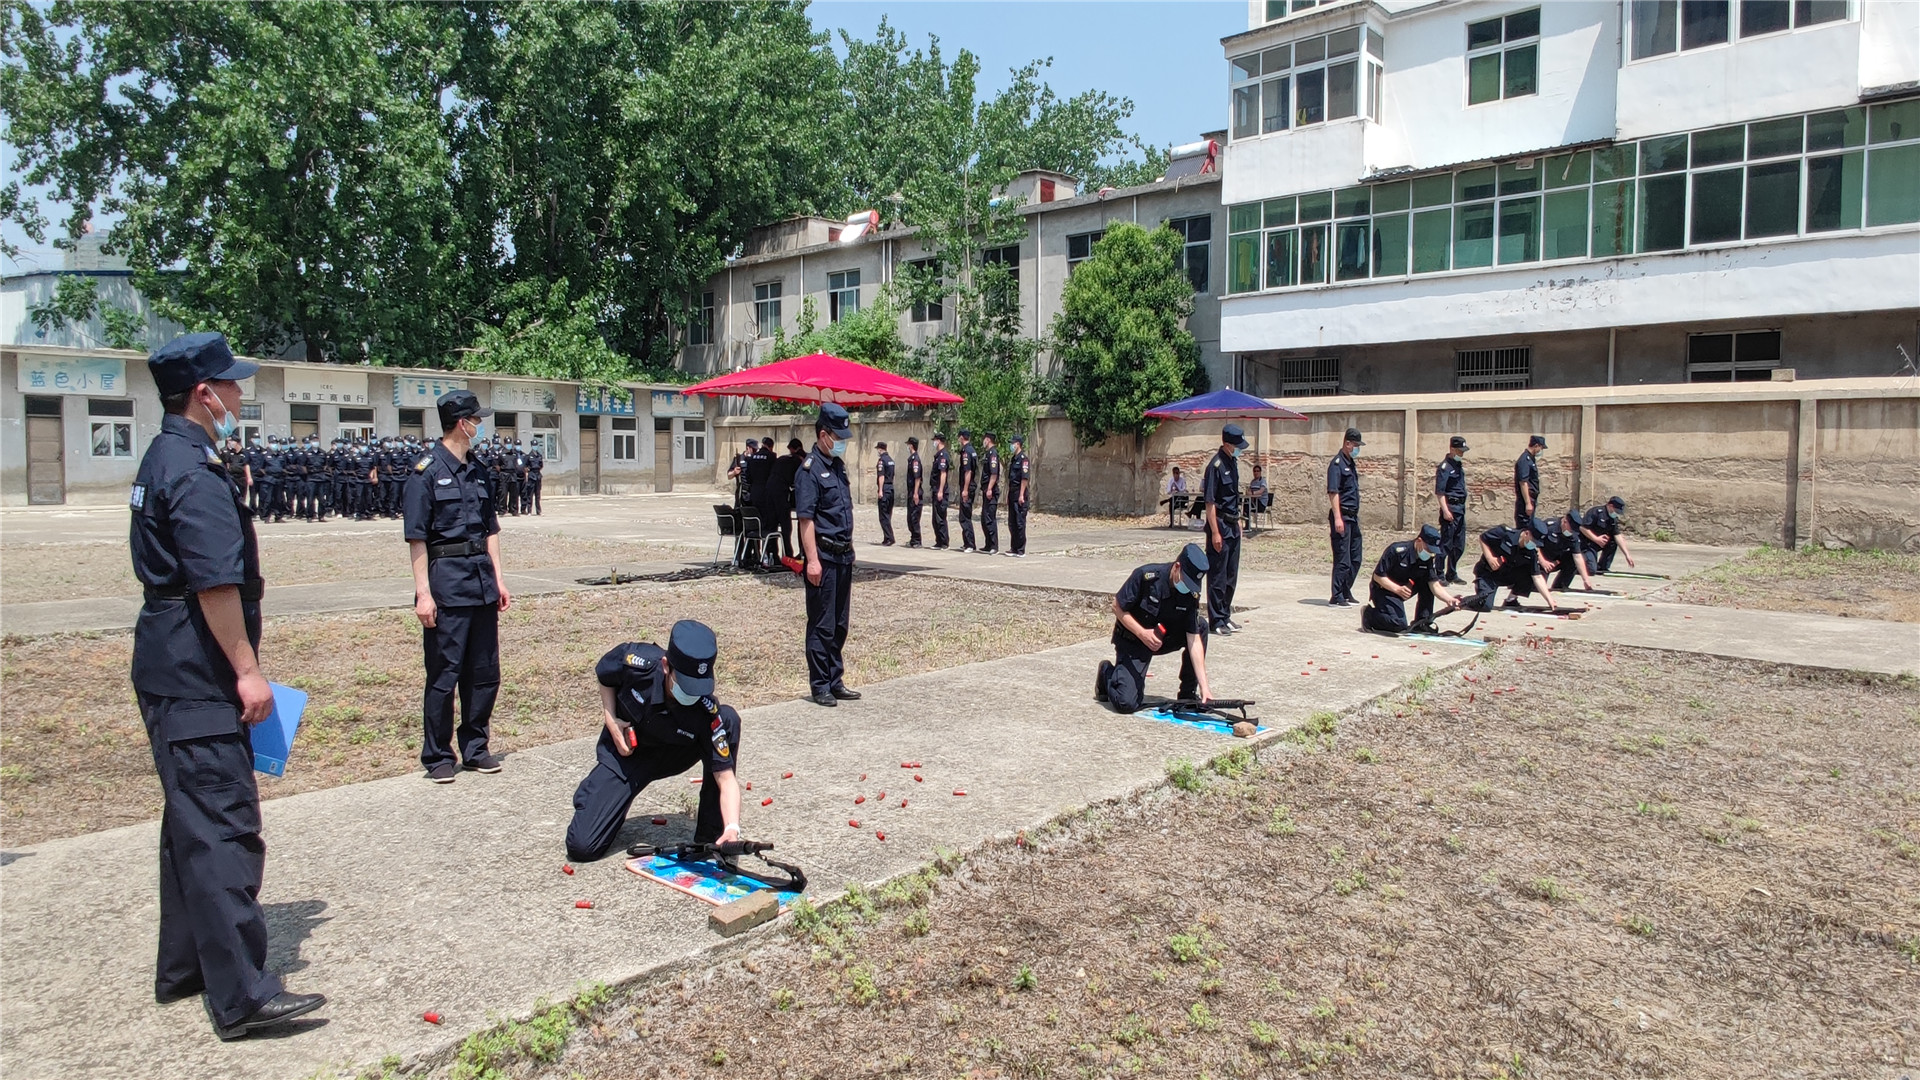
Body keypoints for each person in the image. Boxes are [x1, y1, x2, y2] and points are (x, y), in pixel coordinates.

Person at [129, 331, 326, 1040]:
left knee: (190, 821)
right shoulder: (193, 472)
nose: (241, 394)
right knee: (223, 827)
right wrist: (248, 671)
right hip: (198, 672)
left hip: (167, 662)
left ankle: (186, 967)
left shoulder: (165, 457)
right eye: (232, 384)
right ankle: (242, 996)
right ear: (204, 394)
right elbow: (215, 583)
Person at [564, 620, 745, 862]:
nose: (691, 694)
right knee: (582, 847)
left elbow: (726, 779)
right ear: (665, 666)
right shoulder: (637, 663)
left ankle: (710, 835)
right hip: (628, 754)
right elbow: (605, 675)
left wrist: (732, 827)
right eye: (686, 685)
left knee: (728, 719)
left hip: (674, 753)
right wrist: (611, 718)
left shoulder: (705, 709)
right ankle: (596, 794)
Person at [404, 390, 511, 783]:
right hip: (447, 583)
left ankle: (475, 747)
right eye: (475, 420)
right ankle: (437, 756)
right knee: (444, 673)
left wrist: (498, 577)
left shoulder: (478, 470)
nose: (479, 426)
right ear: (460, 423)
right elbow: (417, 538)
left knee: (484, 672)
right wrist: (423, 593)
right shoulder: (426, 472)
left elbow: (491, 529)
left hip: (481, 581)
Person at [1095, 542, 1214, 713]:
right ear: (1177, 567)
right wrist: (1142, 633)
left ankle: (1188, 693)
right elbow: (1117, 606)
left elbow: (1193, 640)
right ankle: (1107, 673)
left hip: (1163, 638)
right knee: (1126, 703)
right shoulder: (1146, 576)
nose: (1187, 587)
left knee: (1200, 626)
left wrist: (1205, 687)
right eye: (1186, 581)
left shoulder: (1189, 593)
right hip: (1134, 640)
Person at [795, 403, 860, 707]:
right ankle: (820, 684)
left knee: (840, 624)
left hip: (844, 556)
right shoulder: (809, 471)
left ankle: (835, 680)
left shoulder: (837, 466)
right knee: (822, 624)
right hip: (824, 557)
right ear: (823, 435)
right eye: (838, 436)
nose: (842, 442)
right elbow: (806, 520)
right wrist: (813, 561)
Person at [1361, 524, 1462, 634]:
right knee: (1398, 624)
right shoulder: (1397, 551)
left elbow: (1434, 584)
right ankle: (1369, 614)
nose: (1430, 553)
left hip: (1405, 589)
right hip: (1385, 590)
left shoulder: (1427, 558)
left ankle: (1422, 622)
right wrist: (1397, 589)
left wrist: (1449, 600)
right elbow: (1378, 576)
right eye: (1428, 549)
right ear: (1419, 541)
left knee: (1427, 583)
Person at [1203, 424, 1247, 634]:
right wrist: (1215, 532)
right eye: (1237, 446)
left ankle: (1225, 615)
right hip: (1219, 525)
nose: (1240, 449)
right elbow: (1210, 502)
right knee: (1218, 576)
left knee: (1231, 575)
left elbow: (1233, 497)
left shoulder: (1233, 462)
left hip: (1232, 524)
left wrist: (1238, 519)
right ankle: (1216, 620)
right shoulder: (1216, 466)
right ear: (1227, 444)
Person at [1463, 517, 1558, 613]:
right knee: (1485, 606)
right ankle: (1464, 600)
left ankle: (1511, 600)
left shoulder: (1531, 552)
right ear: (1526, 534)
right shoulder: (1505, 533)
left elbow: (1537, 577)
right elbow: (1483, 537)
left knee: (1530, 572)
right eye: (1533, 541)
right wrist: (1490, 558)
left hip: (1506, 576)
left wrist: (1549, 600)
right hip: (1488, 574)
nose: (1534, 545)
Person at [1327, 426, 1364, 606]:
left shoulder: (1350, 463)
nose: (1357, 449)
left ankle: (1346, 589)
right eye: (1355, 445)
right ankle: (1337, 595)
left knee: (1356, 557)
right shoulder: (1337, 465)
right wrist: (1337, 518)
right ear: (1347, 443)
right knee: (1343, 558)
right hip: (1342, 516)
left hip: (1353, 517)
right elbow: (1333, 493)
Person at [1434, 436, 1469, 585]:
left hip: (1460, 509)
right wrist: (1446, 510)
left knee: (1459, 544)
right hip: (1451, 508)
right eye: (1460, 451)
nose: (1462, 454)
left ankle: (1452, 573)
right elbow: (1440, 492)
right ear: (1452, 449)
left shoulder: (1457, 466)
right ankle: (1439, 573)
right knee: (1446, 543)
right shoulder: (1445, 467)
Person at [1540, 509, 1598, 593]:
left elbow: (1577, 556)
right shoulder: (1548, 527)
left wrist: (1586, 580)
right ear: (1565, 521)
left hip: (1557, 561)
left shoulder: (1573, 536)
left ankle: (1560, 585)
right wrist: (1543, 561)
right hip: (1542, 561)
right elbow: (1535, 547)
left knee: (1573, 560)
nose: (1571, 532)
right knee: (1538, 588)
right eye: (1571, 529)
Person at [1580, 496, 1636, 574]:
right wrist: (1596, 539)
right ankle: (1576, 567)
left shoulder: (1613, 518)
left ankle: (1603, 566)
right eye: (1616, 510)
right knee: (1591, 570)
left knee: (1613, 541)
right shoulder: (1595, 512)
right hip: (1588, 544)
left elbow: (1617, 535)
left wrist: (1627, 555)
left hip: (1599, 543)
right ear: (1610, 506)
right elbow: (1583, 528)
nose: (1616, 513)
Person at [769, 438, 805, 558]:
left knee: (772, 524)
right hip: (782, 493)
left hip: (769, 492)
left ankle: (772, 555)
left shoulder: (783, 459)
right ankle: (788, 555)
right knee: (786, 525)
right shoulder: (800, 460)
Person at [1006, 434, 1031, 557]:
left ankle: (1021, 549)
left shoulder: (1023, 459)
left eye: (1013, 443)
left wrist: (1021, 494)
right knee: (1012, 521)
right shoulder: (1014, 459)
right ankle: (1014, 547)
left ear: (1018, 444)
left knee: (1020, 521)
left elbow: (1024, 478)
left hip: (1019, 493)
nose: (1011, 445)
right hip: (1012, 492)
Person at [1514, 435, 1545, 529]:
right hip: (1526, 500)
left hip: (1531, 499)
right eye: (1541, 447)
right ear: (1536, 446)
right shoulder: (1524, 460)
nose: (1540, 450)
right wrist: (1528, 503)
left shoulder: (1530, 459)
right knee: (1525, 528)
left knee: (1529, 527)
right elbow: (1523, 482)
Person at [956, 429, 978, 553]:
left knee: (965, 516)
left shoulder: (966, 452)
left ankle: (970, 544)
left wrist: (965, 489)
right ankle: (967, 543)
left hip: (967, 487)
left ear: (961, 438)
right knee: (964, 515)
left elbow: (968, 471)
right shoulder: (972, 450)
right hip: (970, 486)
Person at [979, 433, 1001, 554]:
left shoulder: (993, 454)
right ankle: (988, 544)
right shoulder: (988, 453)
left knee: (990, 518)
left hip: (990, 491)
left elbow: (994, 473)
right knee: (984, 518)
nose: (983, 441)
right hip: (986, 490)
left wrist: (989, 488)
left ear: (988, 440)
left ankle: (994, 546)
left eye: (984, 439)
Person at [929, 432, 952, 549]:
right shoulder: (938, 455)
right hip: (936, 489)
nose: (934, 442)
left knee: (940, 517)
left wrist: (940, 491)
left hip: (940, 490)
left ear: (939, 441)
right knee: (935, 518)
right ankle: (939, 541)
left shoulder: (943, 456)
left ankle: (943, 542)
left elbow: (943, 474)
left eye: (935, 440)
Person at [875, 440, 896, 546]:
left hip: (885, 489)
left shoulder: (882, 461)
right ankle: (886, 537)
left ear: (880, 449)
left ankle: (889, 538)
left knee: (883, 516)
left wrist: (880, 490)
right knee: (888, 514)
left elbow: (881, 476)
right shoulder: (891, 460)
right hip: (891, 489)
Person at [904, 436, 925, 548]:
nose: (907, 446)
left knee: (914, 517)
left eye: (908, 444)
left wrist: (916, 493)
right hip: (911, 492)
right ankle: (913, 539)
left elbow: (917, 478)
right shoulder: (911, 459)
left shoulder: (915, 460)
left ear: (911, 445)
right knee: (910, 517)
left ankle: (917, 540)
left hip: (915, 492)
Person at [525, 441, 544, 515]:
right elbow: (526, 466)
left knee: (538, 494)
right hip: (531, 475)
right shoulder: (529, 456)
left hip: (538, 475)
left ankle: (538, 511)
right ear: (531, 446)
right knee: (530, 494)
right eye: (534, 445)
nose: (535, 446)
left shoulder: (539, 455)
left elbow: (541, 465)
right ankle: (529, 510)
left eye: (536, 445)